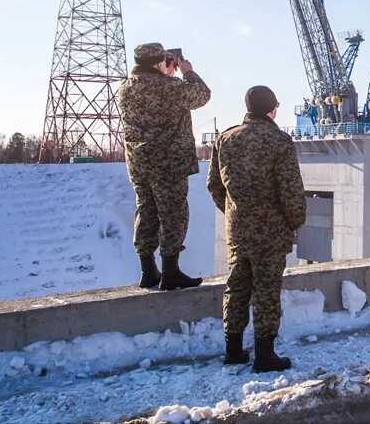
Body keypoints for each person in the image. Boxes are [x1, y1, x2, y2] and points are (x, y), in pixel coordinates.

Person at [208, 86, 307, 372]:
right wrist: (293, 221)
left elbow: (214, 184)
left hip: (238, 230)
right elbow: (291, 191)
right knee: (266, 290)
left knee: (237, 286)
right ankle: (265, 355)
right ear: (272, 109)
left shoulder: (225, 139)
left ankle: (233, 350)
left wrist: (233, 212)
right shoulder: (280, 141)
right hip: (271, 232)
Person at [118, 43, 211, 290]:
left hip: (139, 164)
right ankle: (171, 271)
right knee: (173, 214)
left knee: (146, 211)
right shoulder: (171, 87)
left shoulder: (125, 88)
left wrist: (167, 74)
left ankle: (147, 271)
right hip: (168, 163)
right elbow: (201, 94)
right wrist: (188, 72)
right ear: (159, 62)